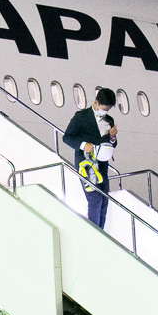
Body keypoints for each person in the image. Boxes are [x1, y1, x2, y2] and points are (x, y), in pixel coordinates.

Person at [63, 88, 118, 228]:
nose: (105, 112)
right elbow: (67, 137)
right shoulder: (81, 116)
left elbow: (113, 144)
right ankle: (94, 232)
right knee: (94, 198)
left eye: (108, 109)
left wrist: (112, 137)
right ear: (96, 102)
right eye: (103, 108)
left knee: (104, 200)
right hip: (86, 163)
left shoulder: (109, 120)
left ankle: (100, 231)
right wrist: (83, 145)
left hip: (102, 163)